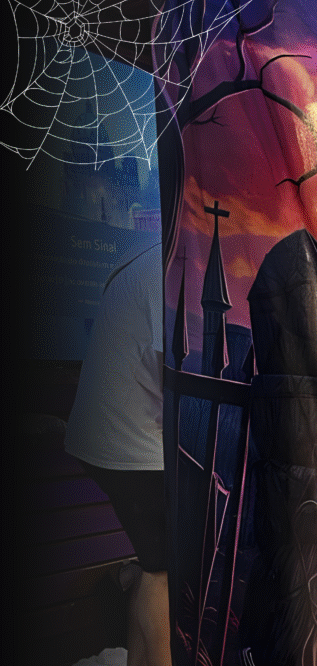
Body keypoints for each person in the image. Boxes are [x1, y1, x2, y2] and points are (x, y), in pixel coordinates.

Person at [65, 240, 171, 666]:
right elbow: (178, 374)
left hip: (109, 435)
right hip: (130, 443)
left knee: (154, 564)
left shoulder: (156, 254)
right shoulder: (171, 265)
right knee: (168, 571)